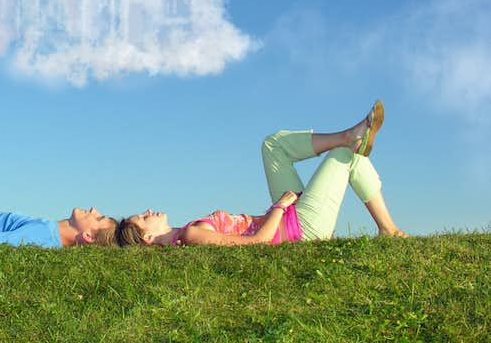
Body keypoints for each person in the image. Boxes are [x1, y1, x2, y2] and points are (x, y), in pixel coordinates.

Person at [118, 100, 407, 247]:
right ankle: (388, 229)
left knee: (273, 145)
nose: (148, 211)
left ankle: (347, 135)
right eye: (143, 218)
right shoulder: (192, 235)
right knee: (345, 158)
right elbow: (256, 246)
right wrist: (280, 208)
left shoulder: (186, 233)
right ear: (146, 238)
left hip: (289, 221)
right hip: (299, 230)